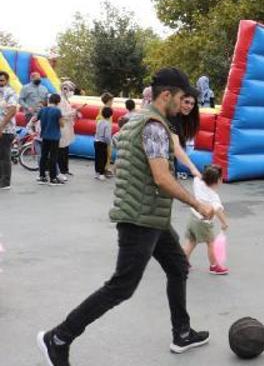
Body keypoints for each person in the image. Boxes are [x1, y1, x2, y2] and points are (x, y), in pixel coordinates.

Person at [37, 67, 214, 365]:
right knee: (122, 286)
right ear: (167, 95)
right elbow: (161, 177)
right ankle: (58, 337)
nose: (185, 104)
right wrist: (197, 203)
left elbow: (126, 161)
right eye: (183, 97)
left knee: (178, 267)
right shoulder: (155, 126)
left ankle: (181, 333)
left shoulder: (135, 121)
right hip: (140, 219)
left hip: (150, 216)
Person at [182, 164, 229, 275]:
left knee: (191, 241)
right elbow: (217, 210)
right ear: (219, 180)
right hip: (203, 223)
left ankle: (182, 263)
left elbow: (197, 175)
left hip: (192, 217)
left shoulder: (198, 182)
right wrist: (224, 223)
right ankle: (214, 266)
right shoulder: (213, 196)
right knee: (211, 243)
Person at [168, 93, 201, 178]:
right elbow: (175, 147)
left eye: (192, 104)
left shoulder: (180, 118)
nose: (189, 106)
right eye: (186, 102)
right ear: (179, 100)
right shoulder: (171, 117)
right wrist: (193, 168)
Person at [37, 93, 65, 186]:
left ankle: (42, 176)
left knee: (43, 156)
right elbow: (61, 124)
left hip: (44, 136)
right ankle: (53, 178)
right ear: (58, 101)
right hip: (54, 137)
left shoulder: (43, 110)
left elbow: (35, 119)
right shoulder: (57, 111)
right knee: (53, 157)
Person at [57, 81, 82, 179]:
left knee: (66, 149)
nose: (71, 92)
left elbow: (68, 112)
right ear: (64, 89)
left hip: (68, 127)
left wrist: (75, 113)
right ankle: (61, 170)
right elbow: (61, 114)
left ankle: (65, 169)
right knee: (62, 149)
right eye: (70, 90)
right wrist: (74, 112)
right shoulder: (60, 99)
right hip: (63, 127)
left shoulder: (66, 99)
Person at [0, 71, 18, 190]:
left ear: (7, 81)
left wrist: (1, 126)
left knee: (4, 156)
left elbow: (12, 110)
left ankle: (5, 182)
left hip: (6, 130)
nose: (0, 82)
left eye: (2, 80)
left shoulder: (10, 93)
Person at [94, 107, 113, 181]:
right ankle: (101, 173)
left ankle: (97, 173)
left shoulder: (99, 121)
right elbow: (107, 136)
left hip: (96, 141)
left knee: (97, 158)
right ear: (110, 115)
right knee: (103, 158)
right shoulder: (108, 124)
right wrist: (109, 143)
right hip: (103, 143)